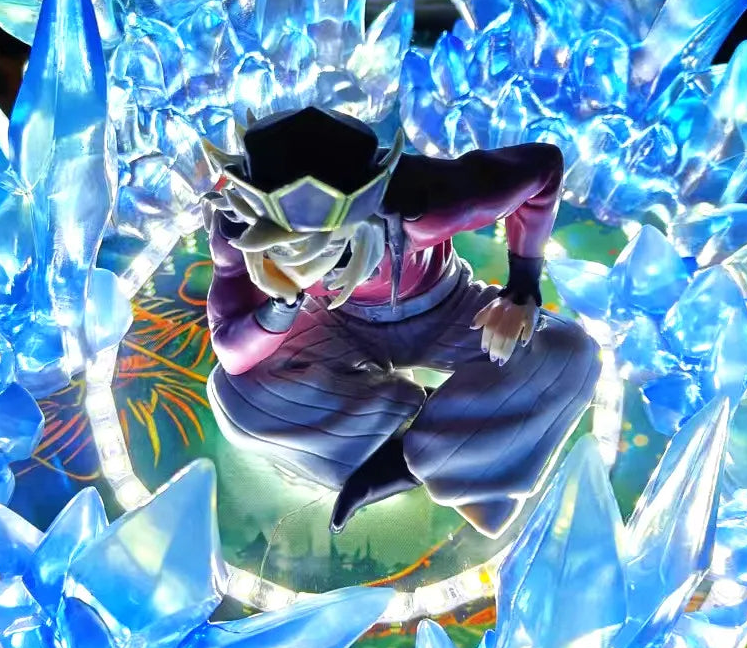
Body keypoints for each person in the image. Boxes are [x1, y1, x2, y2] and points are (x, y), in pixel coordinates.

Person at [201, 106, 600, 537]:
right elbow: (232, 352)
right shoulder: (237, 229)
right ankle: (430, 435)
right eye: (282, 246)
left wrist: (522, 287)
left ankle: (412, 461)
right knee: (234, 394)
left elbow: (543, 167)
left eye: (321, 247)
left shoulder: (427, 202)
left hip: (448, 311)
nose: (297, 261)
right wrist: (280, 305)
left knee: (572, 353)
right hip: (335, 322)